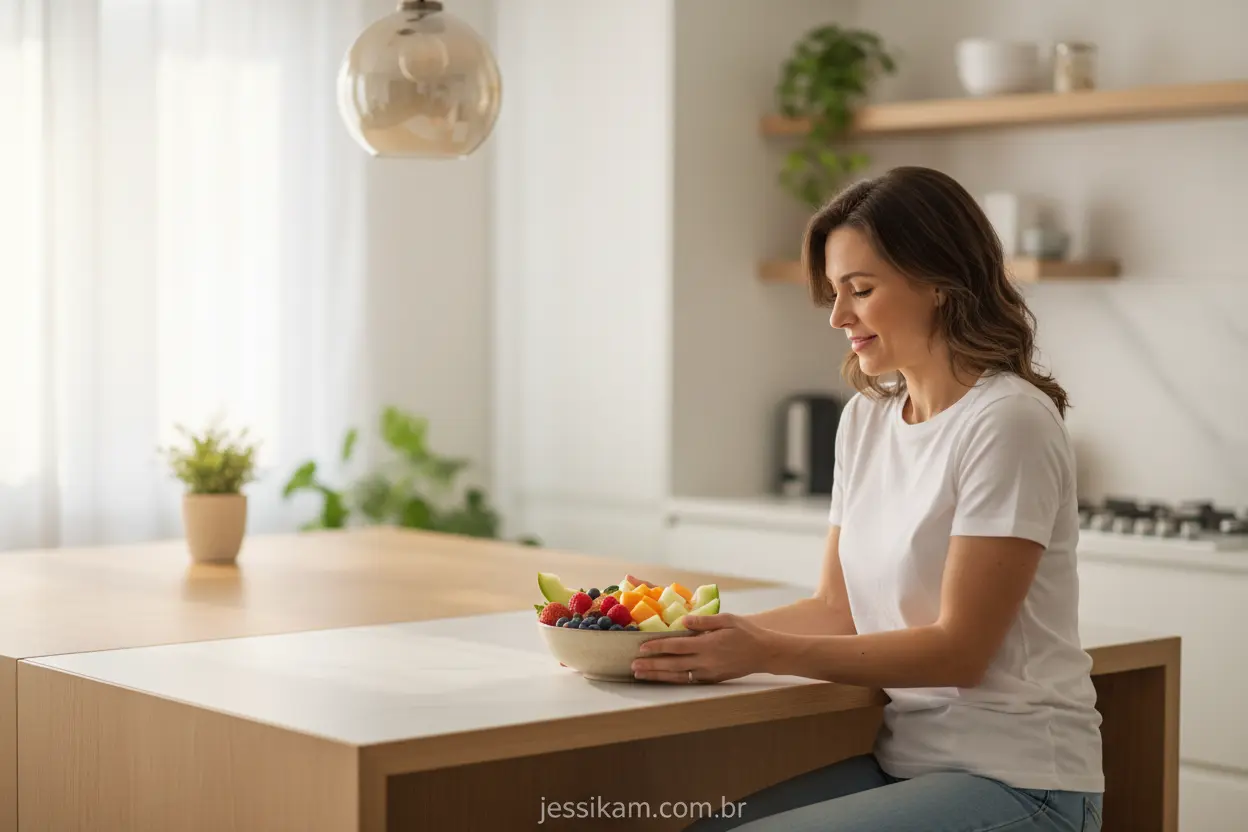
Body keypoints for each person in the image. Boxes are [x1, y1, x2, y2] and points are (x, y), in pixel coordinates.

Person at [630, 166, 1105, 832]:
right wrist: (688, 639)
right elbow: (837, 608)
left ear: (939, 283)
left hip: (1024, 783)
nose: (838, 316)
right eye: (833, 291)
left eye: (861, 289)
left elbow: (958, 651)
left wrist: (763, 650)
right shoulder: (867, 420)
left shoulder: (1007, 422)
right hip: (910, 764)